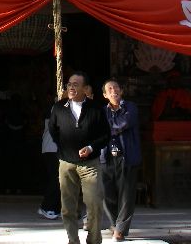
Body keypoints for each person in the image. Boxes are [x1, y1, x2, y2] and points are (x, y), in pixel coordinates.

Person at [48, 72, 109, 244]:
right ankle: (73, 240)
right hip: (66, 163)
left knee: (94, 203)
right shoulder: (59, 107)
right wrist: (65, 147)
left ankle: (94, 240)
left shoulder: (96, 108)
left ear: (85, 88)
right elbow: (53, 130)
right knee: (68, 207)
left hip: (90, 164)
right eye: (69, 84)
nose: (71, 87)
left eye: (76, 84)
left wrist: (91, 147)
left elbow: (105, 135)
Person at [100, 78, 141, 242]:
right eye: (109, 89)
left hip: (127, 155)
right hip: (107, 156)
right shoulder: (102, 111)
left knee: (126, 195)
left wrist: (108, 127)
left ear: (121, 91)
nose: (114, 91)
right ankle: (115, 224)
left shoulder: (130, 107)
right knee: (106, 193)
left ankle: (120, 229)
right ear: (105, 95)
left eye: (116, 88)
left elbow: (125, 123)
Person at [38, 101, 61, 219]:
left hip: (58, 148)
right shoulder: (57, 107)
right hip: (52, 148)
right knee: (56, 179)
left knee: (61, 179)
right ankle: (47, 207)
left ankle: (56, 208)